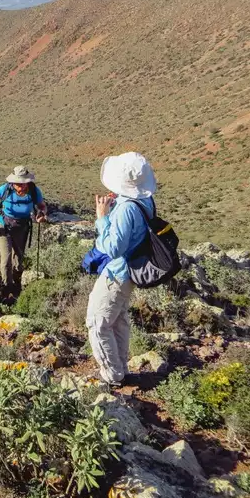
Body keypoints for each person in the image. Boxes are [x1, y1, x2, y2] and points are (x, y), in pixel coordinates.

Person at [86, 152, 156, 387]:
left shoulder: (127, 208)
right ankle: (121, 368)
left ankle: (112, 375)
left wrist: (102, 218)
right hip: (130, 272)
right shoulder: (145, 200)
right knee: (118, 320)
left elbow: (113, 248)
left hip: (117, 273)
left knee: (97, 322)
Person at [0, 166, 47, 300]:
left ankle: (16, 282)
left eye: (24, 183)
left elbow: (41, 205)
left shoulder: (34, 191)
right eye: (19, 184)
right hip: (4, 226)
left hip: (22, 227)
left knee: (18, 261)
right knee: (6, 259)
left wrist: (42, 213)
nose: (22, 187)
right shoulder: (5, 189)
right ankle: (7, 288)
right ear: (13, 183)